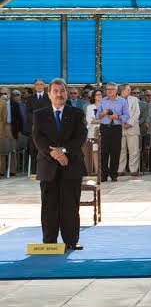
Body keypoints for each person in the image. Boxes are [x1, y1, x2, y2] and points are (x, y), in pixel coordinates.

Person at [32, 78, 87, 250]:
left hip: (70, 166)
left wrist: (62, 151)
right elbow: (38, 138)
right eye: (55, 91)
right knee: (49, 206)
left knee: (70, 205)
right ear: (49, 94)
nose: (59, 94)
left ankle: (71, 240)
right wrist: (53, 153)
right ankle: (49, 242)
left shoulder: (77, 113)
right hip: (48, 166)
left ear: (67, 93)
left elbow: (80, 137)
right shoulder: (39, 115)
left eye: (62, 90)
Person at [96, 82, 129, 182]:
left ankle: (114, 175)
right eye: (107, 89)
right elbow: (97, 116)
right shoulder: (102, 101)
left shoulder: (122, 101)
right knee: (104, 152)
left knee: (115, 151)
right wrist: (103, 113)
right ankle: (104, 175)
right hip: (105, 127)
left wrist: (117, 117)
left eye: (111, 89)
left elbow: (127, 116)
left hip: (116, 127)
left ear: (116, 90)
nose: (109, 91)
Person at [26, 79, 52, 174]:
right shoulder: (30, 99)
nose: (39, 86)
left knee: (46, 149)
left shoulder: (49, 97)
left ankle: (46, 170)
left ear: (44, 86)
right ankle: (34, 171)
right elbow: (28, 113)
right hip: (34, 127)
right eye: (37, 84)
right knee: (34, 150)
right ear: (34, 86)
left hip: (47, 128)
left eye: (41, 84)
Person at [117, 84, 141, 177]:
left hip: (132, 127)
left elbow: (137, 113)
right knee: (120, 149)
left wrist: (129, 123)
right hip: (120, 127)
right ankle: (120, 169)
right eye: (128, 89)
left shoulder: (134, 100)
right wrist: (122, 123)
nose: (130, 91)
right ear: (122, 90)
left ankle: (133, 170)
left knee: (134, 150)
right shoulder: (115, 100)